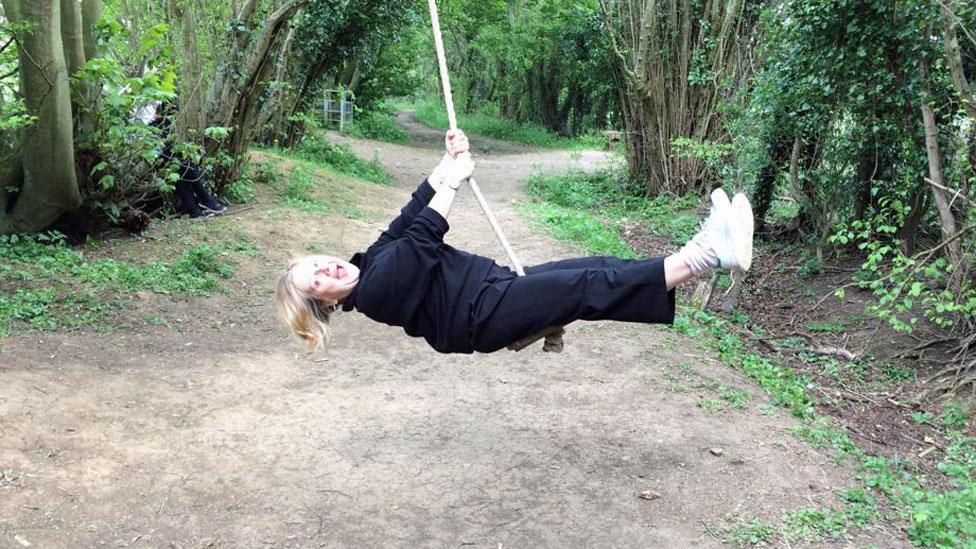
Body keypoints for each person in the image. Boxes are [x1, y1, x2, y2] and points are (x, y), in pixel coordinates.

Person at [275, 130, 753, 354]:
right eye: (316, 283)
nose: (326, 271)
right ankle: (708, 253)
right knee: (586, 286)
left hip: (495, 286)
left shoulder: (371, 259)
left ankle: (707, 249)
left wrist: (446, 164)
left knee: (595, 263)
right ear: (325, 304)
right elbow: (423, 236)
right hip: (481, 317)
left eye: (317, 264)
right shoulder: (375, 293)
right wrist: (455, 183)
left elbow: (411, 212)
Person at [150, 101, 227, 218]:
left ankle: (195, 211)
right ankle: (206, 200)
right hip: (153, 156)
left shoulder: (165, 122)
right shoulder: (153, 123)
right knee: (185, 164)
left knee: (182, 171)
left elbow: (170, 144)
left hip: (165, 155)